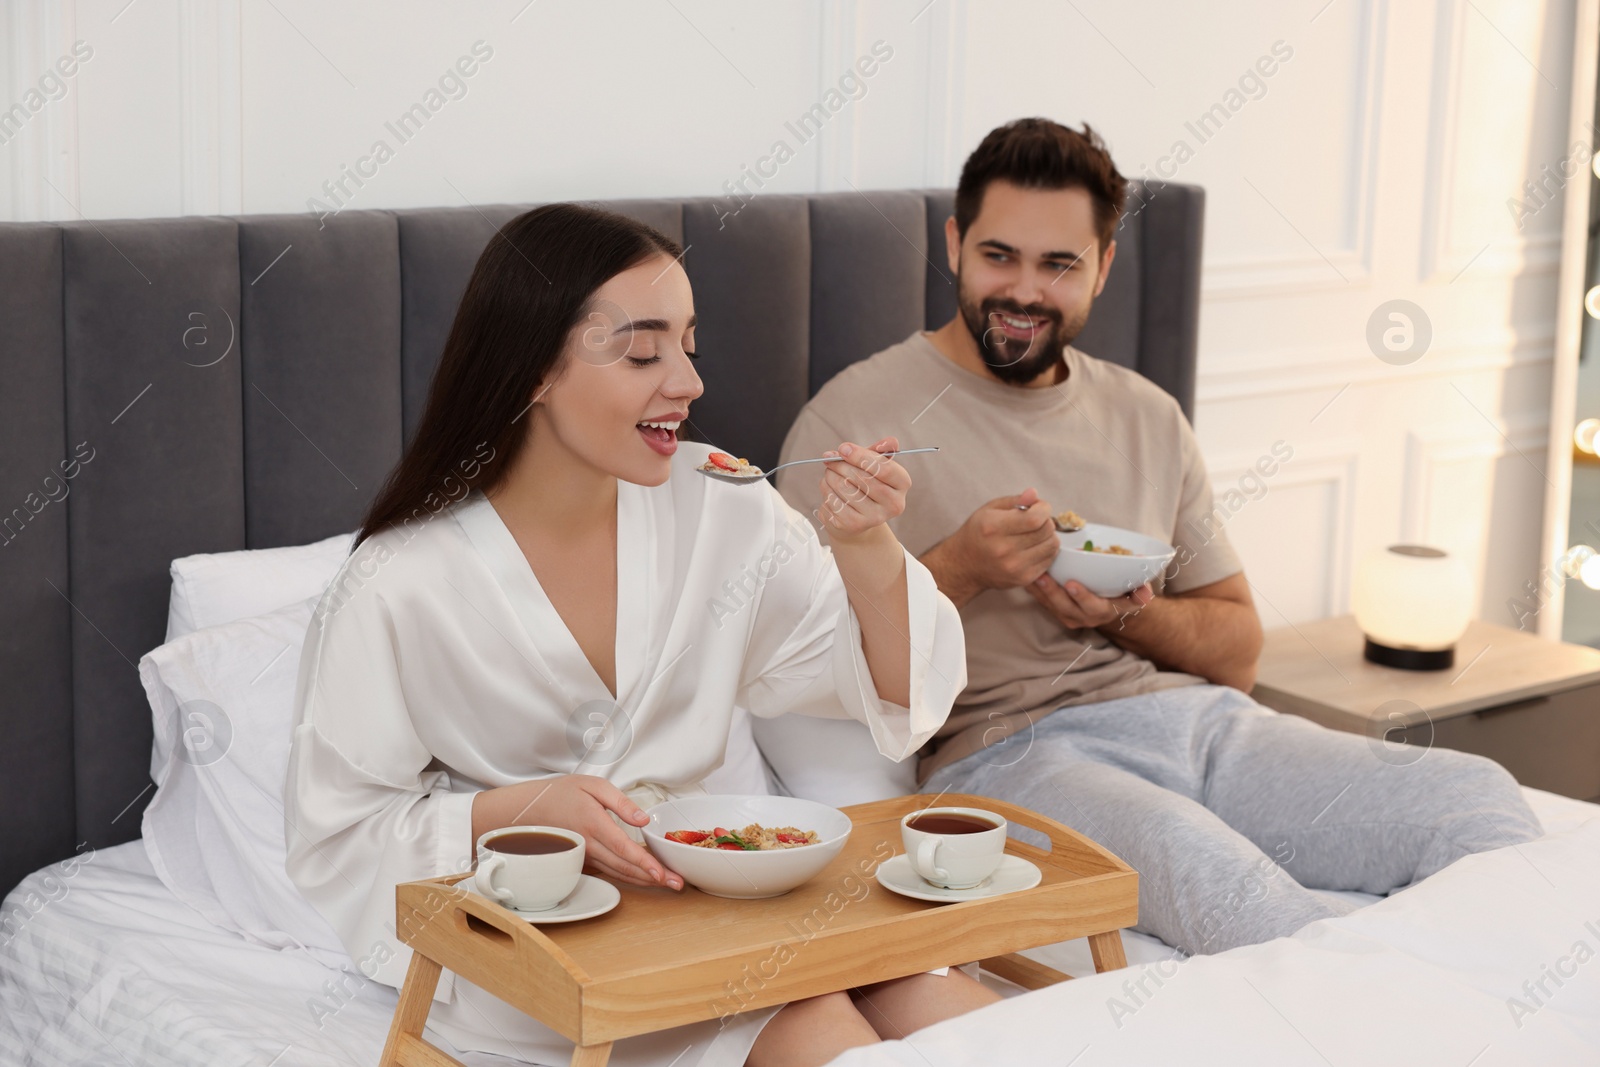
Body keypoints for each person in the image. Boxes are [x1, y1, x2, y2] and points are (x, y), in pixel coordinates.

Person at [777, 117, 1543, 957]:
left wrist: (1123, 615)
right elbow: (802, 663)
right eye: (1000, 256)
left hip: (1199, 722)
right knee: (1256, 907)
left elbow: (1238, 652)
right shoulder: (852, 421)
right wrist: (959, 567)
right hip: (1010, 758)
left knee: (1479, 799)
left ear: (1104, 266)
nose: (1024, 291)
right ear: (955, 244)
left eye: (1059, 264)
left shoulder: (1147, 415)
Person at [283, 203, 999, 1067]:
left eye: (689, 345)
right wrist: (517, 811)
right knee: (834, 1039)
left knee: (973, 1021)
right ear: (533, 369)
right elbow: (337, 834)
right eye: (643, 350)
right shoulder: (396, 584)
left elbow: (887, 686)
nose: (689, 383)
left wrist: (864, 546)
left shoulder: (723, 506)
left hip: (732, 903)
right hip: (545, 955)